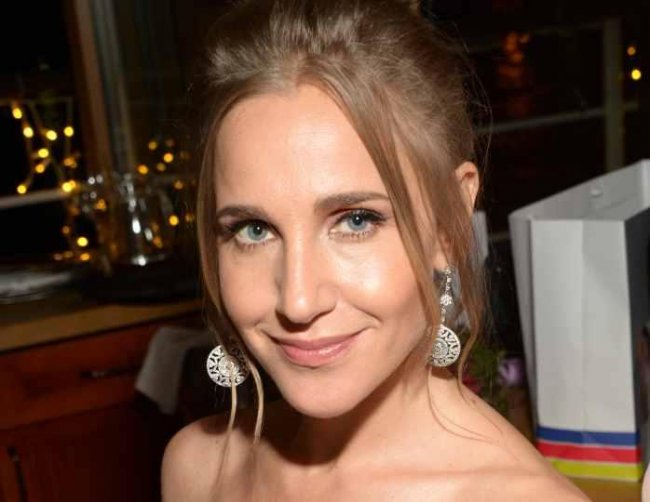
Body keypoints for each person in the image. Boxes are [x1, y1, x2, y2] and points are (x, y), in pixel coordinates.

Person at [162, 0, 588, 499]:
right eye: (253, 230)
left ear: (448, 226)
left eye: (356, 221)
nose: (298, 301)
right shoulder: (196, 469)